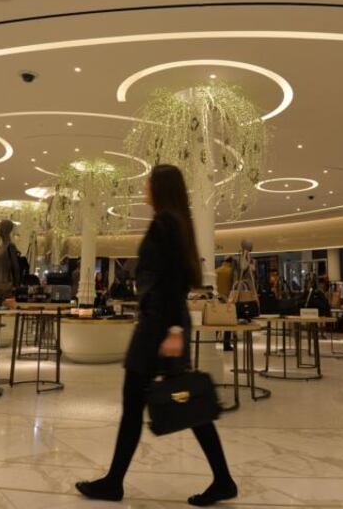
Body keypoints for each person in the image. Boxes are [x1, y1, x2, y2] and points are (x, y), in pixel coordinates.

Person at [76, 164, 236, 507]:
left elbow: (173, 280)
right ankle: (220, 480)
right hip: (161, 323)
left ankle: (114, 483)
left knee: (158, 402)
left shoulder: (166, 223)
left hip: (159, 326)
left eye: (149, 183)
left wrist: (173, 331)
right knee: (182, 402)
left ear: (160, 187)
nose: (144, 188)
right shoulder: (175, 221)